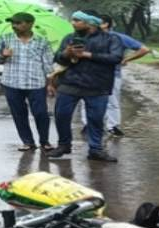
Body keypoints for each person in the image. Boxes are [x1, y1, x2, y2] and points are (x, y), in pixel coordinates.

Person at [46, 10, 124, 162]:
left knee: (95, 119)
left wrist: (87, 55)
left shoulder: (111, 38)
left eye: (77, 20)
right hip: (70, 82)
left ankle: (95, 149)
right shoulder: (69, 38)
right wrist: (66, 54)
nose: (73, 23)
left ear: (90, 22)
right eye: (73, 20)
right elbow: (58, 59)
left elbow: (116, 58)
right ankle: (64, 145)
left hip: (98, 84)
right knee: (61, 115)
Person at [0, 12, 55, 152]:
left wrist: (50, 84)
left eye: (18, 23)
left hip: (36, 84)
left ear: (30, 24)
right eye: (13, 23)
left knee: (41, 113)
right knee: (18, 114)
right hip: (12, 83)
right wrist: (3, 56)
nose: (14, 25)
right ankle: (28, 142)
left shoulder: (42, 41)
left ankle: (45, 141)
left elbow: (48, 64)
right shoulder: (5, 38)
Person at [79, 15, 150, 137]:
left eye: (95, 22)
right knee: (87, 100)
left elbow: (144, 49)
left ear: (105, 24)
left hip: (112, 73)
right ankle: (91, 125)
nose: (91, 24)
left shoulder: (118, 37)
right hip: (90, 73)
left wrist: (127, 59)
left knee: (111, 101)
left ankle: (111, 126)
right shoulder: (87, 36)